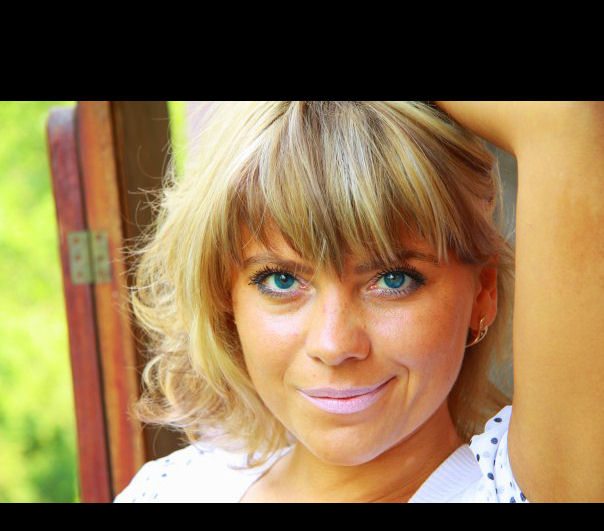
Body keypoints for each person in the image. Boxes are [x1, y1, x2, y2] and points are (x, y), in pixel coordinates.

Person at [114, 101, 604, 503]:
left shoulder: (538, 491)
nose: (334, 345)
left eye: (392, 279)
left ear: (483, 294)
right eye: (282, 280)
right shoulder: (171, 490)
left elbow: (564, 117)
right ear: (227, 299)